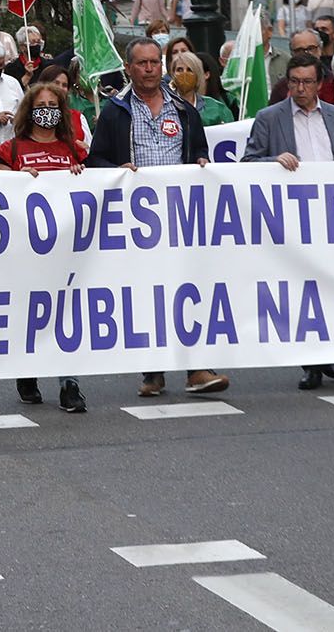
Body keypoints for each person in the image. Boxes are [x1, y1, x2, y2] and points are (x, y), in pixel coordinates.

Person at [87, 37, 228, 399]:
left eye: (154, 63)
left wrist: (199, 162)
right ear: (130, 68)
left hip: (180, 217)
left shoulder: (183, 110)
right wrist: (117, 169)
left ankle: (197, 368)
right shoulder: (115, 111)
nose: (149, 69)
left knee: (187, 288)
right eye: (142, 63)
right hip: (137, 223)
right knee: (149, 292)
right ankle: (153, 371)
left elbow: (199, 150)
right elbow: (95, 161)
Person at [245, 53, 334, 390]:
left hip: (332, 217)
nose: (300, 89)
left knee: (332, 281)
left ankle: (326, 349)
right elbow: (247, 161)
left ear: (320, 84)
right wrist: (273, 159)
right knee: (302, 287)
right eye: (294, 82)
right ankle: (312, 361)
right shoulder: (269, 118)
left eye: (306, 82)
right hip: (291, 220)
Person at [0, 82, 88, 413]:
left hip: (65, 249)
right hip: (24, 250)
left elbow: (91, 190)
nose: (46, 108)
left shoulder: (73, 149)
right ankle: (28, 371)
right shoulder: (13, 149)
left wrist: (80, 174)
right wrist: (17, 179)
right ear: (29, 110)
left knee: (66, 314)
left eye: (53, 103)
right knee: (29, 313)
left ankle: (70, 384)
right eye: (41, 103)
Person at [169, 51, 231, 127]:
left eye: (189, 70)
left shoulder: (218, 109)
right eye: (179, 70)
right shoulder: (164, 107)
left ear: (198, 75)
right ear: (173, 74)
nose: (184, 74)